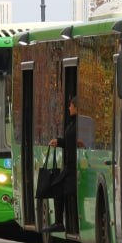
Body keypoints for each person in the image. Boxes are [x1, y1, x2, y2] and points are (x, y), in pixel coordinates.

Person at [47, 96, 81, 233]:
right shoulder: (73, 123)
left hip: (75, 167)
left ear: (76, 108)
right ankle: (59, 222)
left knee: (58, 187)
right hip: (69, 166)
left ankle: (60, 223)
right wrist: (59, 142)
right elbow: (70, 142)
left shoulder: (81, 124)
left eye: (71, 106)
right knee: (57, 187)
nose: (69, 108)